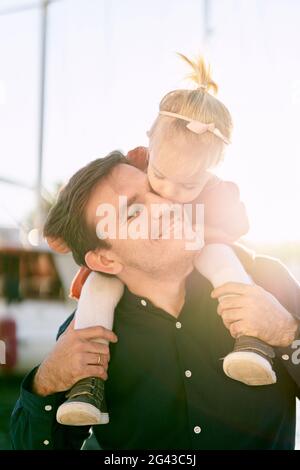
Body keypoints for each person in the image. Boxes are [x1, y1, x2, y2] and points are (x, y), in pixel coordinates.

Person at [10, 152, 300, 450]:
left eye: (154, 190)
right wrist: (45, 382)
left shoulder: (266, 281)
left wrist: (288, 334)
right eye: (133, 212)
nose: (164, 206)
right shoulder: (84, 336)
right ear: (105, 259)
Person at [47, 55, 277, 427]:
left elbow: (234, 224)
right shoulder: (131, 167)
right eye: (157, 177)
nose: (166, 196)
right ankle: (87, 386)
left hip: (209, 248)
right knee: (99, 290)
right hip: (106, 283)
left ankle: (251, 340)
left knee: (219, 255)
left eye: (188, 185)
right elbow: (86, 214)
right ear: (148, 147)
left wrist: (288, 333)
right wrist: (46, 383)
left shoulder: (263, 272)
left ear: (210, 172)